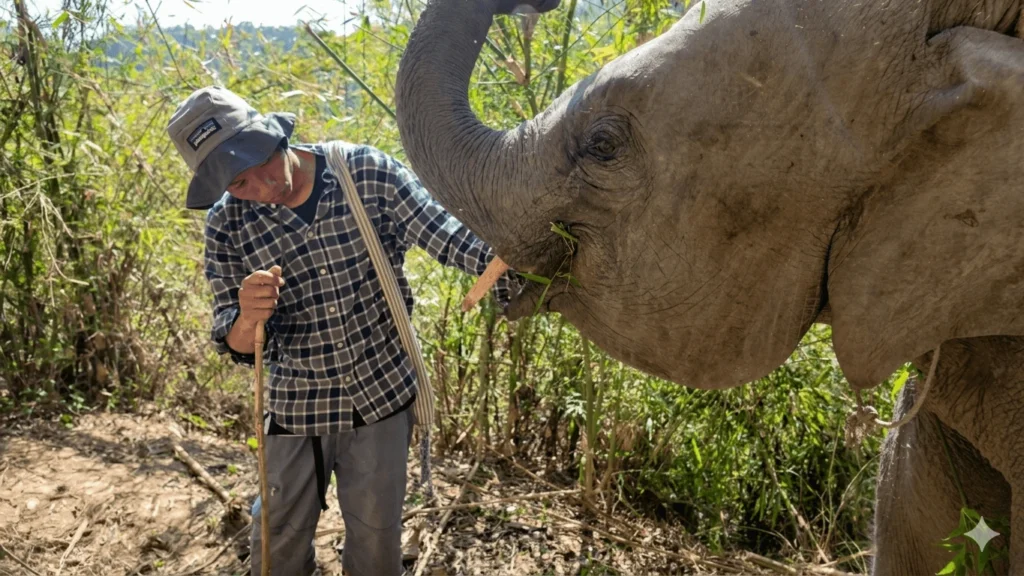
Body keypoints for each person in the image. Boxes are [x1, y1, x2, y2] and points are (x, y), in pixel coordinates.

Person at [166, 85, 517, 576]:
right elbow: (234, 342)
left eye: (259, 165)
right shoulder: (228, 225)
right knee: (275, 549)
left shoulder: (364, 174)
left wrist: (517, 267)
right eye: (240, 184)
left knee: (376, 551)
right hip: (295, 406)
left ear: (273, 137)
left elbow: (447, 235)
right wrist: (247, 316)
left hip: (380, 397)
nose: (263, 188)